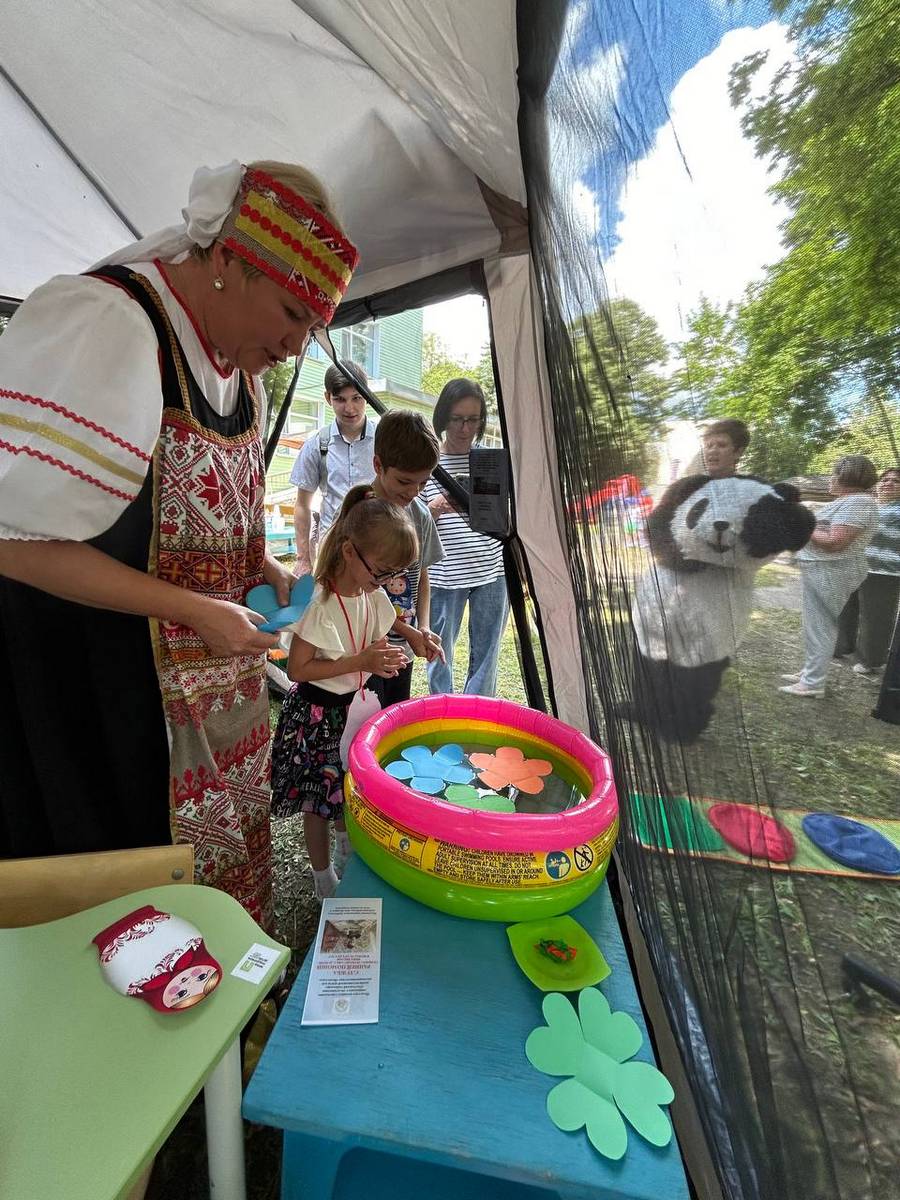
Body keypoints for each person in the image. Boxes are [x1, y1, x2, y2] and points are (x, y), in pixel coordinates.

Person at [0, 160, 359, 927]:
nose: (295, 346)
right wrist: (193, 609)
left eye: (311, 328)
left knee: (214, 896)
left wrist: (266, 567)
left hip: (209, 701)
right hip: (104, 694)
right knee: (129, 910)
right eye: (291, 313)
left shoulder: (244, 375)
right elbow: (16, 546)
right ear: (227, 259)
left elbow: (205, 523)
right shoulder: (113, 325)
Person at [270, 487, 414, 898]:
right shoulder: (320, 602)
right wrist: (360, 662)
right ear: (350, 552)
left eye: (392, 574)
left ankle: (346, 847)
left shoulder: (371, 595)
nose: (385, 582)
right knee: (318, 802)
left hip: (354, 710)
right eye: (380, 571)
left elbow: (375, 639)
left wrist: (393, 652)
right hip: (318, 717)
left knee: (347, 790)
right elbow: (298, 669)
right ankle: (323, 878)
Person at [422, 378, 508, 695]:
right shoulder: (427, 462)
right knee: (438, 653)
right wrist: (437, 506)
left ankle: (477, 712)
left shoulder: (489, 461)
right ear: (443, 416)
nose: (465, 428)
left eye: (473, 419)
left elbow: (503, 518)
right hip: (444, 574)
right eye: (457, 418)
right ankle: (442, 709)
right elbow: (410, 522)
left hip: (491, 570)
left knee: (487, 655)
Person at [780, 455, 880, 698]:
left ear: (848, 477)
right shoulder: (848, 501)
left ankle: (813, 683)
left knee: (821, 626)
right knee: (815, 625)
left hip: (832, 571)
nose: (830, 479)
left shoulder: (858, 503)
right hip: (822, 569)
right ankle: (810, 672)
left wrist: (803, 523)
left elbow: (835, 542)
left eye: (835, 474)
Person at [368, 409, 445, 706]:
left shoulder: (420, 514)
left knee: (395, 715)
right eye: (404, 481)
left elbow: (422, 576)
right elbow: (361, 592)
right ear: (378, 465)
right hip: (365, 648)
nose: (414, 491)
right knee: (365, 720)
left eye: (423, 483)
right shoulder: (361, 512)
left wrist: (422, 627)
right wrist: (409, 631)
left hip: (404, 648)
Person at [290, 360, 377, 576]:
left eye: (356, 398)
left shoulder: (384, 440)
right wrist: (303, 559)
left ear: (367, 396)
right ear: (328, 398)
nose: (350, 408)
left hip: (377, 546)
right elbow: (302, 505)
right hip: (332, 549)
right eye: (340, 399)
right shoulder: (317, 444)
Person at [835, 467, 900, 677]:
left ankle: (871, 660)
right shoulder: (870, 505)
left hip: (884, 572)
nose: (888, 483)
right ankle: (841, 646)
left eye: (895, 481)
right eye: (885, 479)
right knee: (845, 609)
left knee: (875, 617)